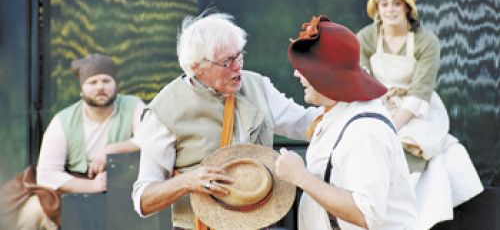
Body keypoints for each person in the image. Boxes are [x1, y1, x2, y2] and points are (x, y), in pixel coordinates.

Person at [132, 12, 321, 230]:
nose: (238, 66)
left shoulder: (258, 86)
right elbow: (144, 200)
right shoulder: (164, 110)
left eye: (239, 56)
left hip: (261, 224)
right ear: (196, 67)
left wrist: (349, 109)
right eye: (226, 62)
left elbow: (306, 124)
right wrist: (187, 182)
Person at [357, 0, 483, 229]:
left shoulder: (427, 41)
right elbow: (362, 80)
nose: (390, 9)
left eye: (396, 3)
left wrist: (393, 126)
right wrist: (380, 118)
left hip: (417, 111)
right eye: (384, 4)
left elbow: (420, 92)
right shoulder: (366, 38)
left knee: (412, 146)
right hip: (379, 105)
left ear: (407, 7)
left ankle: (412, 218)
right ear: (377, 9)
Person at [275, 15, 418, 230]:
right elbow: (291, 118)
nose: (297, 74)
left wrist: (300, 177)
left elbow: (365, 213)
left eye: (304, 69)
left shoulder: (365, 129)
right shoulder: (337, 113)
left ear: (324, 77)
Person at [14, 53, 145, 230]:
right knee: (32, 212)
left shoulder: (134, 106)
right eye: (92, 82)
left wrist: (111, 150)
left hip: (126, 184)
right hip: (77, 186)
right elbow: (47, 174)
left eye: (106, 80)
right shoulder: (63, 120)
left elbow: (152, 140)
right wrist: (92, 185)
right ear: (82, 89)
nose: (100, 87)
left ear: (116, 84)